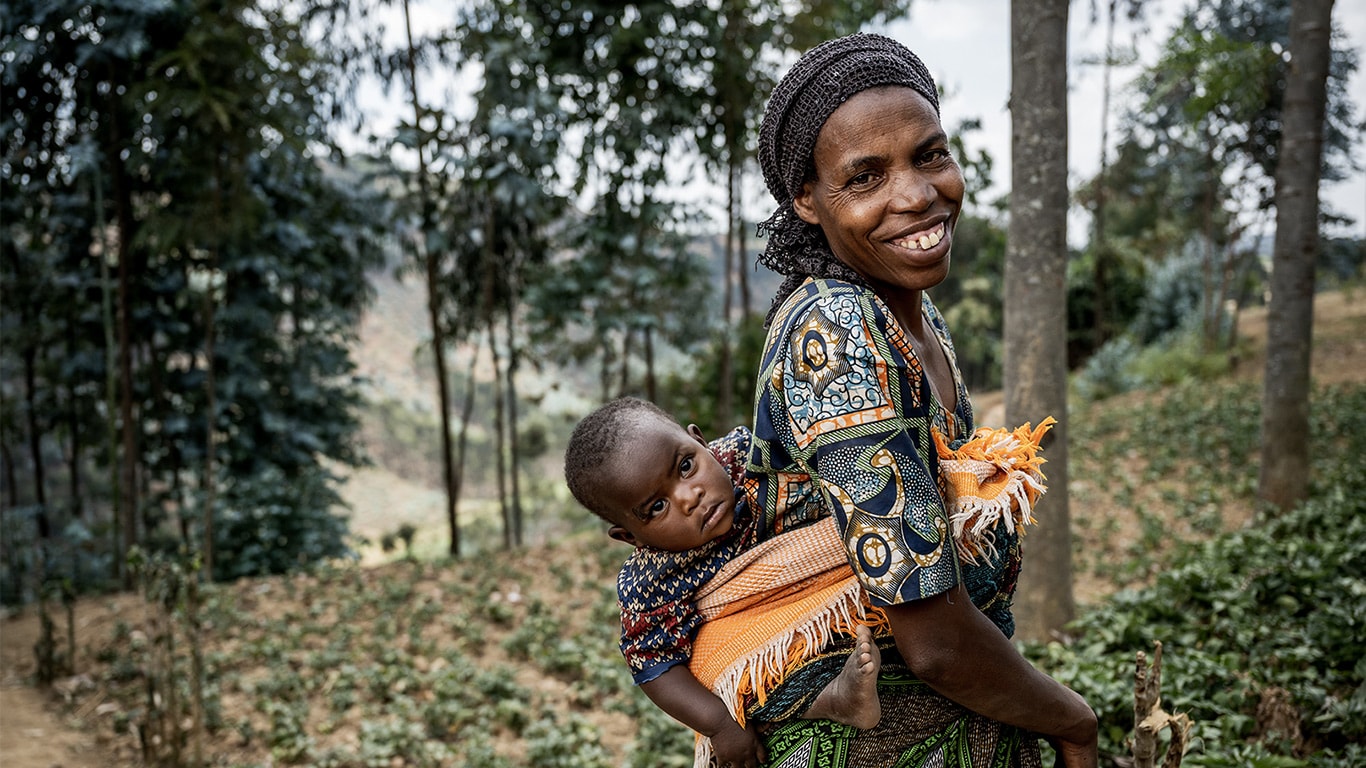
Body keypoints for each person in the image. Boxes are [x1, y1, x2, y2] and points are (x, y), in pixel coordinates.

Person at [730, 31, 1099, 768]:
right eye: (865, 177)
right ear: (807, 198)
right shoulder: (835, 332)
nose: (917, 194)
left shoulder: (910, 309)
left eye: (929, 154)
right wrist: (1076, 722)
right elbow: (930, 638)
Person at [564, 396, 884, 767]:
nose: (689, 497)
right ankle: (830, 699)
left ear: (700, 442)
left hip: (825, 584)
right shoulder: (650, 581)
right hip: (764, 637)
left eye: (686, 466)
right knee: (726, 672)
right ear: (630, 537)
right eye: (656, 507)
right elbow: (653, 663)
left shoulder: (750, 457)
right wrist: (718, 724)